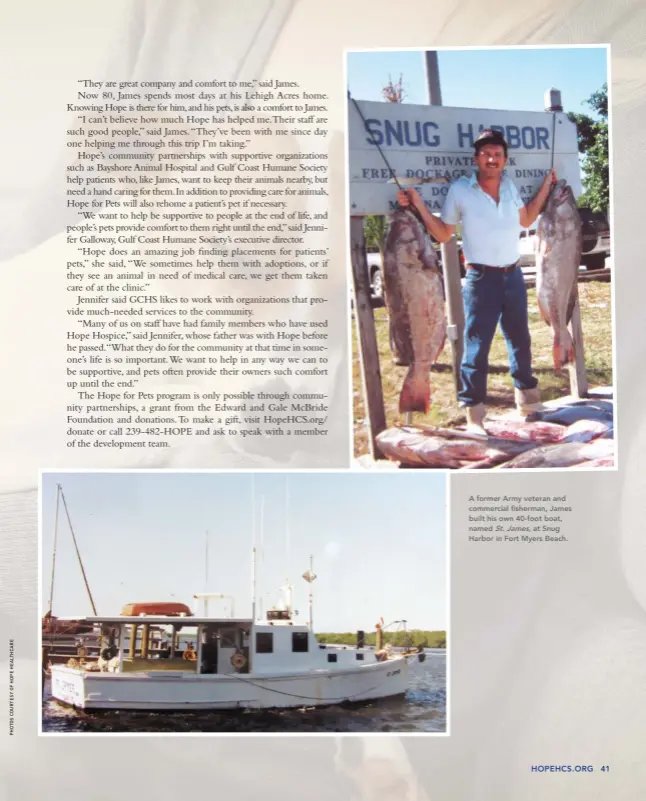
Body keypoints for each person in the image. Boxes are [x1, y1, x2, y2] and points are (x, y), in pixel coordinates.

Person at [398, 129, 556, 435]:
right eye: (486, 154)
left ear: (505, 159)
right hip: (481, 279)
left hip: (513, 276)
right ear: (476, 158)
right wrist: (418, 204)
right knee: (476, 348)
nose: (492, 159)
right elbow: (444, 234)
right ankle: (474, 417)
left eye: (497, 154)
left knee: (520, 340)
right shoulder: (460, 189)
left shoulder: (509, 185)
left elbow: (526, 220)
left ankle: (528, 403)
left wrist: (547, 188)